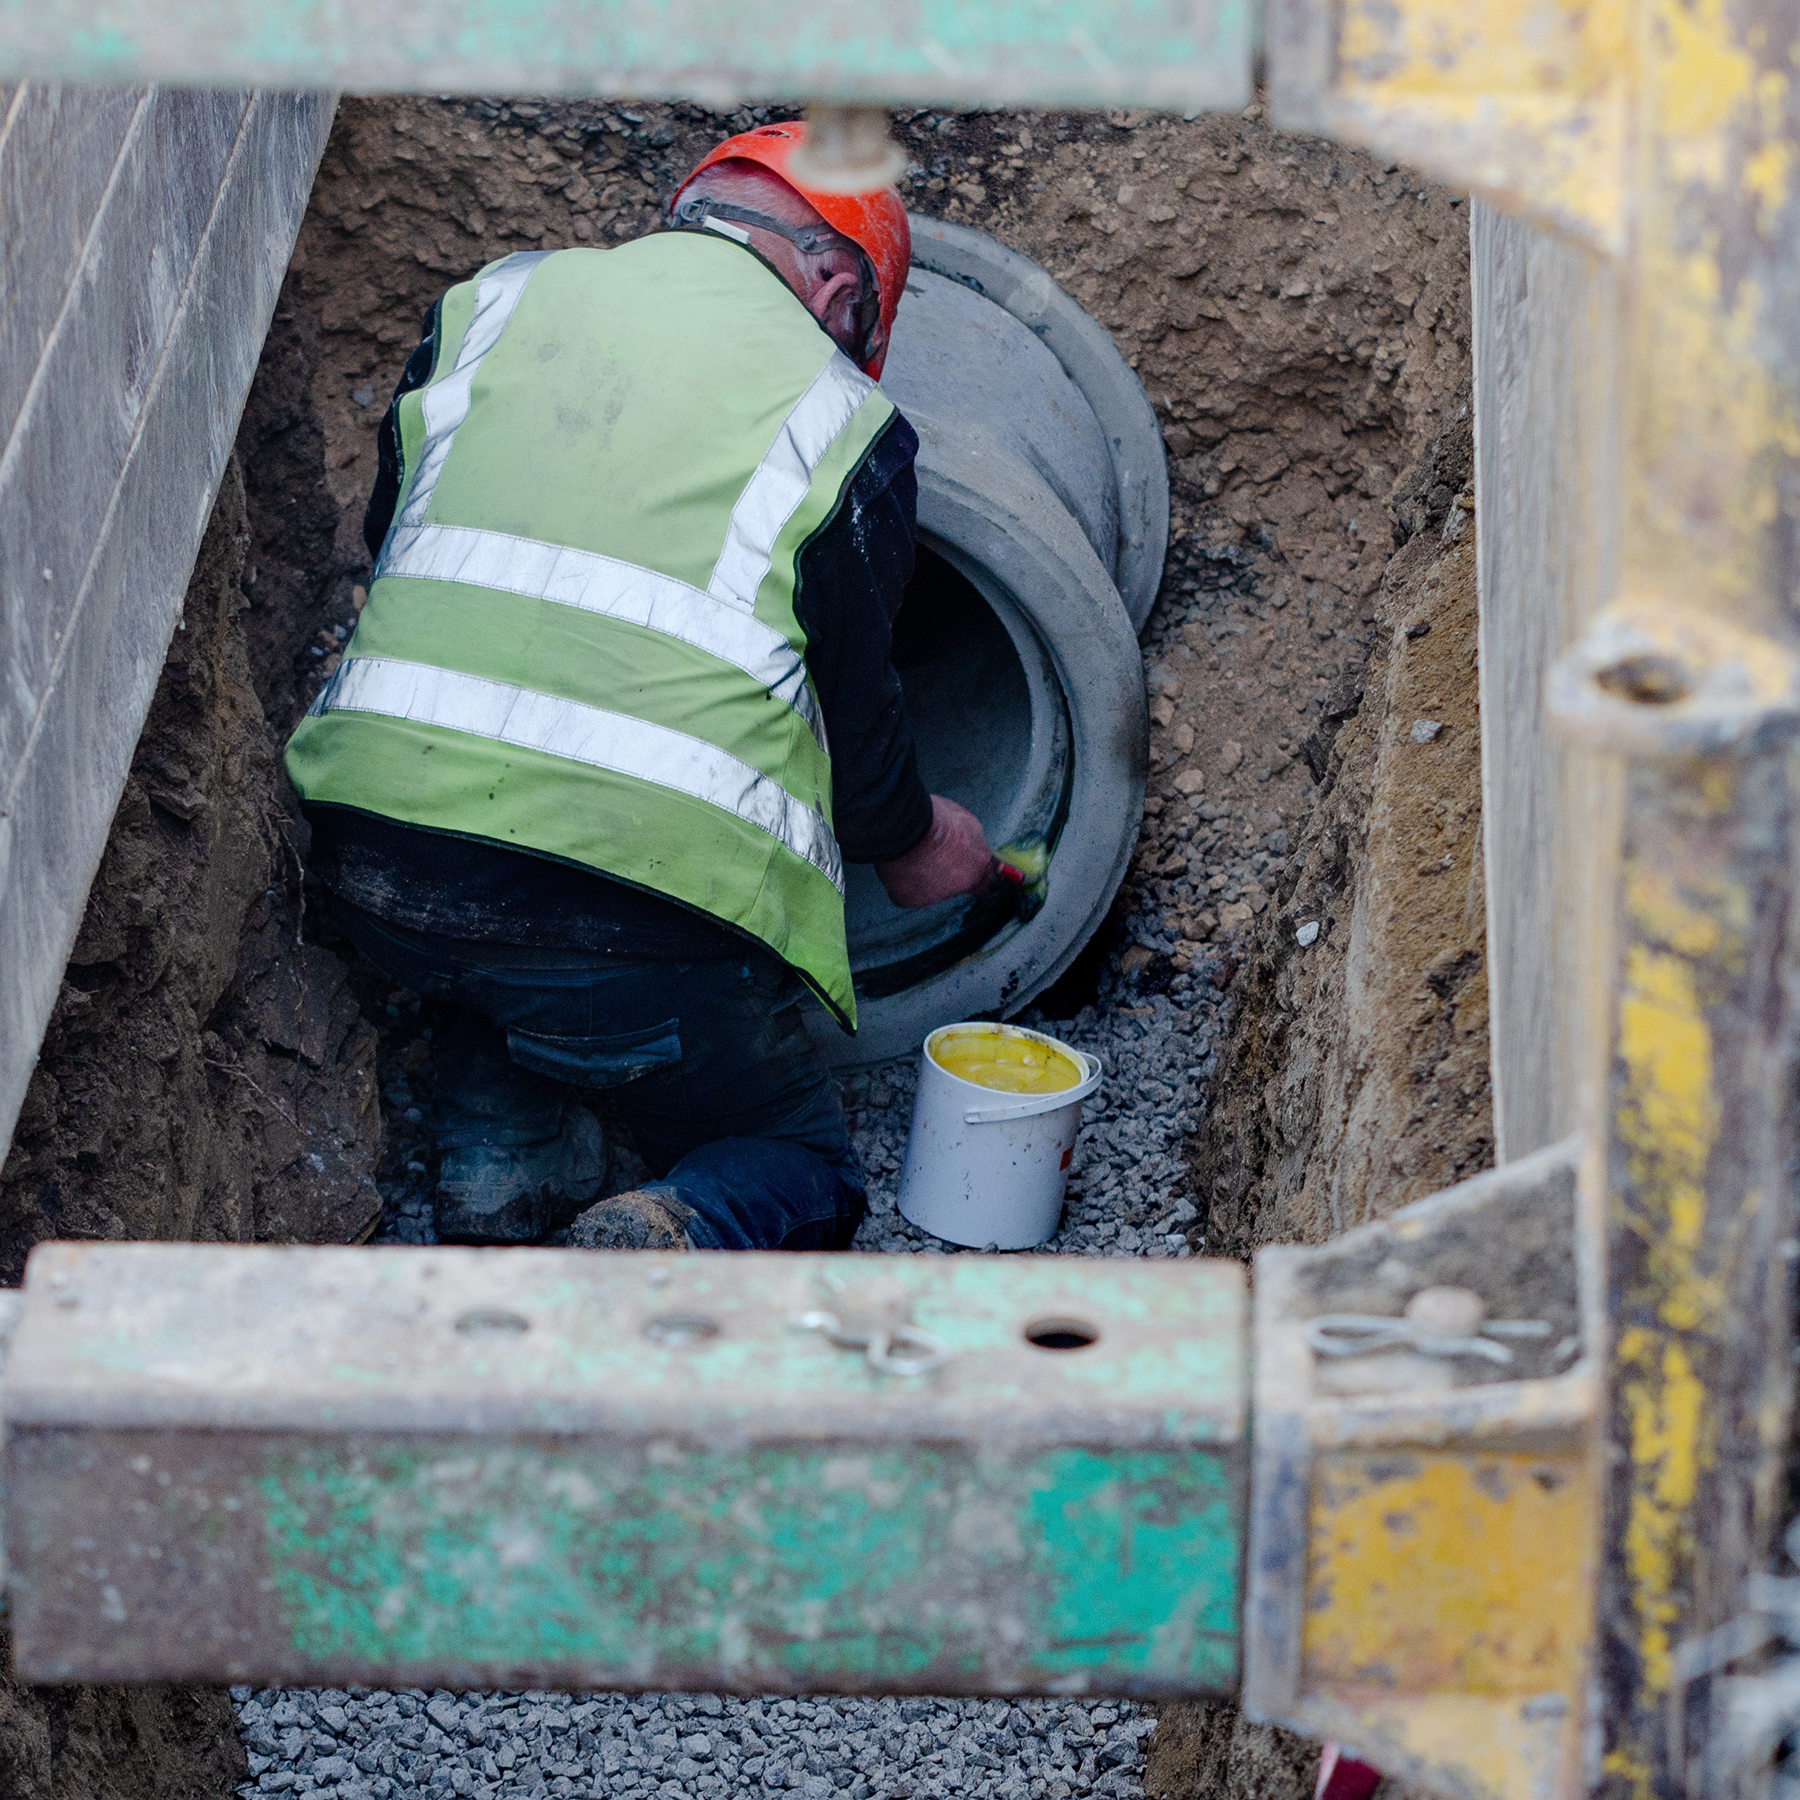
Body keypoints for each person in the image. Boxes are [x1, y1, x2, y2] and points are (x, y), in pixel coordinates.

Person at [284, 123, 996, 1253]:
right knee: (798, 1164)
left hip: (375, 863)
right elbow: (855, 718)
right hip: (638, 932)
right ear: (834, 283)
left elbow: (398, 543)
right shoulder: (840, 422)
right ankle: (670, 1227)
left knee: (498, 945)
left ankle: (499, 1165)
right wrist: (920, 842)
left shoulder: (490, 306)